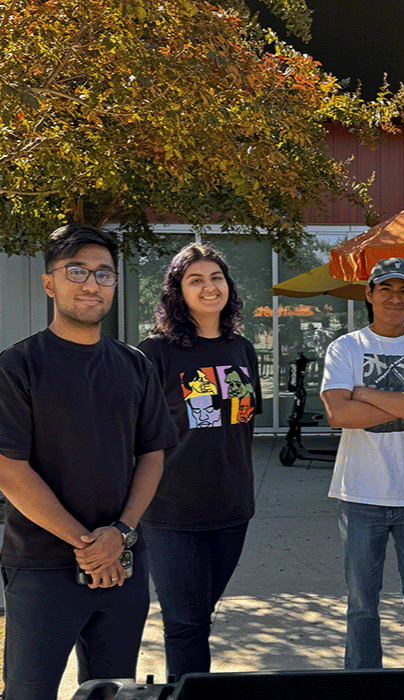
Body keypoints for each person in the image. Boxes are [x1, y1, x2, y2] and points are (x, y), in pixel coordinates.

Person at [0, 224, 178, 700]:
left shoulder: (135, 365)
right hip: (42, 567)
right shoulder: (18, 367)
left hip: (123, 566)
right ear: (49, 282)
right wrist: (89, 545)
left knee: (111, 693)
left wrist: (118, 536)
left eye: (104, 274)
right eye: (76, 270)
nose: (91, 284)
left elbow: (153, 455)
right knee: (27, 693)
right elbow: (10, 472)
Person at [138, 243, 262, 678]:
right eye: (196, 280)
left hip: (232, 508)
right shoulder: (154, 353)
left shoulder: (241, 349)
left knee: (199, 617)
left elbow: (240, 428)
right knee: (186, 624)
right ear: (178, 291)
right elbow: (134, 435)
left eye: (216, 278)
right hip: (172, 510)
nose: (209, 287)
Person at [320, 257, 404, 669]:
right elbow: (339, 416)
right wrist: (403, 405)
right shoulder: (344, 348)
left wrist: (362, 392)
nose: (395, 298)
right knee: (361, 606)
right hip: (359, 495)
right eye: (386, 289)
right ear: (370, 294)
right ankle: (363, 685)